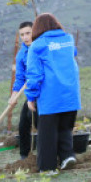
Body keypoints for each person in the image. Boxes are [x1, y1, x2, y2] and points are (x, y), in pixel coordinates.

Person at [25, 13, 81, 173]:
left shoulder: (37, 46)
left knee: (47, 134)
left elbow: (34, 75)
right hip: (71, 95)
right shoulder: (68, 40)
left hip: (51, 97)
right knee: (65, 128)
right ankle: (67, 156)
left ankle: (47, 167)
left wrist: (31, 97)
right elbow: (73, 53)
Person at [7, 20, 35, 158]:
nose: (25, 37)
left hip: (48, 91)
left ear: (34, 32)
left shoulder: (41, 47)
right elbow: (19, 79)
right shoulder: (21, 54)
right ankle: (25, 156)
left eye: (28, 33)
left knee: (43, 122)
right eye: (22, 34)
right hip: (32, 93)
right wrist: (14, 96)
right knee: (24, 122)